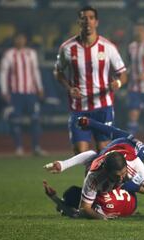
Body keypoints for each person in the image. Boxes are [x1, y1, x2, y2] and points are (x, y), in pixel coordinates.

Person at [44, 116, 144, 220]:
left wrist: (63, 165)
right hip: (114, 158)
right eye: (117, 176)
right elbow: (83, 209)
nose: (121, 178)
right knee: (135, 185)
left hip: (133, 148)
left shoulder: (130, 163)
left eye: (122, 175)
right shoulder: (95, 177)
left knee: (138, 182)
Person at [53, 6, 127, 154]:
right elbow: (58, 72)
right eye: (84, 18)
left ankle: (99, 176)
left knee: (104, 152)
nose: (87, 21)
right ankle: (90, 176)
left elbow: (123, 74)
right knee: (81, 153)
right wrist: (69, 88)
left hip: (103, 107)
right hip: (79, 108)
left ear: (96, 22)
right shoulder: (67, 48)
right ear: (79, 22)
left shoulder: (108, 47)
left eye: (91, 18)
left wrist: (117, 83)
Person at [0, 32, 46, 156]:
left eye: (22, 39)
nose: (20, 41)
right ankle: (19, 148)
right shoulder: (9, 54)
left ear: (25, 40)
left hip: (31, 93)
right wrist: (4, 91)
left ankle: (36, 147)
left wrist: (39, 88)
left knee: (35, 120)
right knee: (16, 121)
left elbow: (35, 71)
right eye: (18, 39)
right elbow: (3, 73)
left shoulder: (31, 53)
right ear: (14, 40)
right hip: (16, 94)